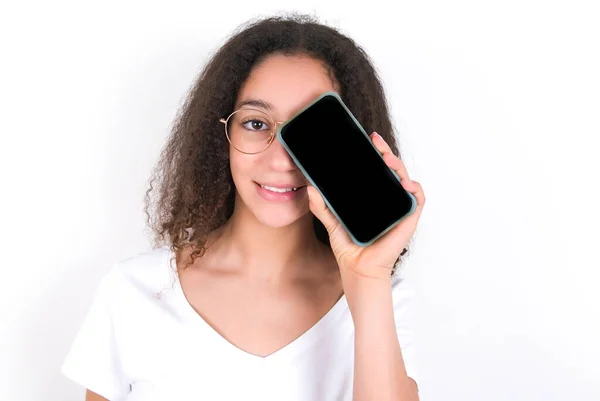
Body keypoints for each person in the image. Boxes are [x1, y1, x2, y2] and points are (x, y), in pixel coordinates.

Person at [60, 13, 426, 401]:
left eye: (308, 132)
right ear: (222, 135)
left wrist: (368, 279)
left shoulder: (380, 299)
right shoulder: (134, 291)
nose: (281, 160)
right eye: (255, 123)